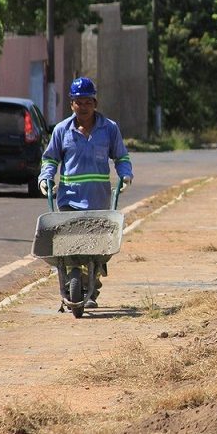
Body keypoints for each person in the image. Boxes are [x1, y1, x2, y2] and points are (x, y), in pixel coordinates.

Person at [38, 77, 134, 308]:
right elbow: (50, 159)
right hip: (69, 199)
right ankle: (74, 284)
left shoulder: (109, 129)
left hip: (98, 201)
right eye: (78, 102)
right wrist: (45, 178)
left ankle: (90, 288)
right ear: (71, 104)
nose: (83, 107)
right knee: (71, 248)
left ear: (95, 102)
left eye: (87, 102)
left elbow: (121, 157)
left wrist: (125, 176)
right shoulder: (62, 130)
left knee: (94, 251)